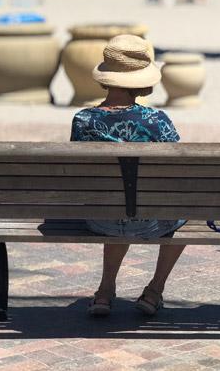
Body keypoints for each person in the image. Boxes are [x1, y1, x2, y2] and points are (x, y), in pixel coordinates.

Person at [70, 34, 186, 317]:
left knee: (117, 199)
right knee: (185, 208)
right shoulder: (157, 121)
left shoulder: (83, 120)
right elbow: (177, 169)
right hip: (150, 223)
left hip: (100, 220)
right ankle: (155, 289)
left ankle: (105, 291)